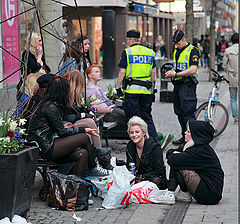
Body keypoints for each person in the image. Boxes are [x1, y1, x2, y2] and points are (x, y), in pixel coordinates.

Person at [27, 76, 111, 178]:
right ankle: (93, 165)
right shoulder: (50, 106)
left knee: (83, 153)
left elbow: (55, 126)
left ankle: (76, 187)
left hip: (50, 141)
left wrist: (63, 124)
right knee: (83, 137)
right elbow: (62, 132)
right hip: (45, 147)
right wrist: (83, 129)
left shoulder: (53, 104)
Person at [150, 120, 224, 205]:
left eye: (188, 131)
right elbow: (172, 152)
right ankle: (183, 193)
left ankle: (170, 194)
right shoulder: (194, 146)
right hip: (208, 189)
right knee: (179, 160)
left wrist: (174, 154)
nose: (185, 133)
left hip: (210, 194)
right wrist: (174, 153)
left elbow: (172, 159)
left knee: (177, 163)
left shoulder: (201, 150)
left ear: (196, 135)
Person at [64, 69, 113, 170]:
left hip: (70, 123)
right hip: (65, 125)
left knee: (90, 122)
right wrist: (81, 115)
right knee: (89, 122)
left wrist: (84, 111)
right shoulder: (65, 95)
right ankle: (100, 158)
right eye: (81, 85)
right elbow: (66, 117)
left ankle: (99, 157)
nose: (83, 89)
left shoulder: (72, 95)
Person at [116, 29, 158, 139]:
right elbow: (153, 72)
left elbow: (122, 71)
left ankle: (136, 143)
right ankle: (153, 141)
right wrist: (152, 87)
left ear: (131, 40)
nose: (127, 42)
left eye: (128, 40)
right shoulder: (150, 52)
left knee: (133, 119)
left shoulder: (127, 52)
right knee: (147, 116)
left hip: (132, 90)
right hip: (146, 90)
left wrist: (118, 87)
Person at [165, 29, 200, 145]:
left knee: (188, 114)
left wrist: (176, 74)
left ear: (184, 39)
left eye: (178, 42)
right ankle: (184, 136)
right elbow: (178, 66)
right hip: (178, 85)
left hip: (187, 86)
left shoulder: (193, 51)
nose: (176, 45)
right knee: (179, 112)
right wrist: (172, 71)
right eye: (175, 43)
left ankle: (193, 139)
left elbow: (193, 69)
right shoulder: (177, 51)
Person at [126, 116, 168, 190]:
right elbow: (129, 166)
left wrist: (141, 178)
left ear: (144, 132)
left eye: (137, 132)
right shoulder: (130, 146)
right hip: (137, 179)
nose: (134, 135)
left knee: (156, 180)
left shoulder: (154, 147)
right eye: (131, 133)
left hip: (153, 178)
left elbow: (159, 170)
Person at [223, 33, 239, 123]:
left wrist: (229, 71)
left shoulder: (228, 51)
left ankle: (236, 118)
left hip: (232, 77)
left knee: (233, 98)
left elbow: (224, 65)